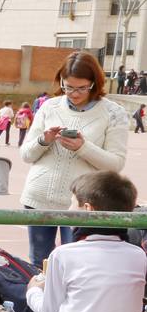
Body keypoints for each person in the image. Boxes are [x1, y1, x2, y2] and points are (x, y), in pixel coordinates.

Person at [19, 51, 130, 268]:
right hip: (39, 198)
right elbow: (26, 155)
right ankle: (39, 302)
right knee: (39, 264)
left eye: (81, 88)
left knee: (78, 266)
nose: (73, 93)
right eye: (68, 86)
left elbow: (116, 163)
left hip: (84, 204)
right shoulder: (49, 106)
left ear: (94, 83)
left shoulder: (113, 112)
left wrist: (83, 147)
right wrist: (45, 139)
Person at [26, 172, 146, 312]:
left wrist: (32, 290)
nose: (68, 210)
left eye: (73, 204)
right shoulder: (138, 254)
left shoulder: (64, 254)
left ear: (88, 209)